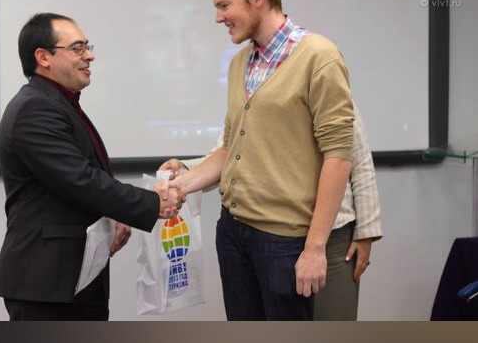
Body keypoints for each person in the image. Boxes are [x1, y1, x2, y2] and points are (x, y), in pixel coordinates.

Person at [158, 0, 354, 320]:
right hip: (233, 233)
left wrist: (315, 248)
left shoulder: (319, 57)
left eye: (224, 5)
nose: (218, 17)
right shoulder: (239, 63)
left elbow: (339, 156)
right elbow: (230, 148)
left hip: (283, 241)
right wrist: (181, 185)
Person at [0, 13, 183, 321]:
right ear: (43, 57)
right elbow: (79, 180)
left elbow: (75, 183)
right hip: (46, 284)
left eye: (87, 47)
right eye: (77, 48)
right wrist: (154, 203)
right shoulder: (35, 108)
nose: (89, 56)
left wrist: (115, 213)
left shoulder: (59, 103)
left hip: (71, 279)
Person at [160, 106, 382, 320]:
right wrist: (184, 172)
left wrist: (366, 232)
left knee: (331, 319)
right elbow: (228, 154)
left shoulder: (326, 84)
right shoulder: (250, 91)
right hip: (274, 236)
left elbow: (359, 161)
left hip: (332, 235)